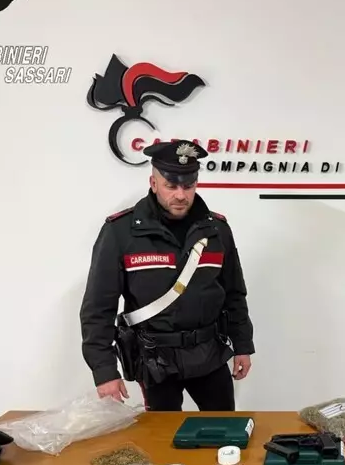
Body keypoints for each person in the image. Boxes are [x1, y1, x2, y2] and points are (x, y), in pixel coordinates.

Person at [79, 139, 255, 411]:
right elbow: (98, 307)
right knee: (162, 436)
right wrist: (104, 370)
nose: (181, 195)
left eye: (188, 186)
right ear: (153, 183)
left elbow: (234, 294)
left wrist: (242, 344)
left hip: (209, 354)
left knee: (224, 429)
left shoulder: (217, 230)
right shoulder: (121, 232)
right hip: (154, 360)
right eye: (171, 186)